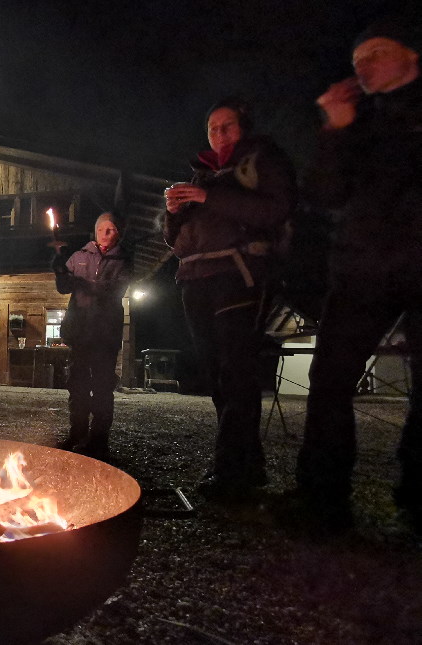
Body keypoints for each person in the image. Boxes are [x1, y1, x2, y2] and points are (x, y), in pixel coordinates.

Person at [291, 19, 422, 528]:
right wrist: (335, 129)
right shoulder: (358, 121)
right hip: (363, 263)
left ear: (412, 55)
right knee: (329, 378)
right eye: (356, 60)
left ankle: (416, 498)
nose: (363, 65)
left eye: (376, 53)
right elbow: (324, 194)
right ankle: (322, 499)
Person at [163, 98, 296, 499]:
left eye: (227, 126)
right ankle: (247, 466)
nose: (219, 134)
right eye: (213, 128)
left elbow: (277, 210)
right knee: (217, 373)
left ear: (244, 128)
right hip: (195, 277)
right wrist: (172, 212)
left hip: (240, 273)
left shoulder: (261, 161)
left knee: (238, 371)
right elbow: (173, 241)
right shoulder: (201, 175)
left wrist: (208, 199)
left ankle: (228, 470)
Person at [53, 212, 132, 461]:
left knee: (101, 387)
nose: (106, 234)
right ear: (95, 231)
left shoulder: (124, 260)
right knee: (77, 386)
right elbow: (65, 287)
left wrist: (83, 284)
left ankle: (98, 440)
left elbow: (115, 290)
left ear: (118, 233)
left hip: (105, 334)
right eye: (102, 230)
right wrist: (59, 270)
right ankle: (77, 433)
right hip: (80, 332)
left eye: (111, 230)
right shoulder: (78, 257)